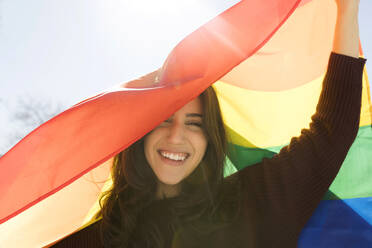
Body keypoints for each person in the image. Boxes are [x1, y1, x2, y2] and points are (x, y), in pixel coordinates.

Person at [49, 0, 366, 247]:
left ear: (210, 138)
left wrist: (347, 11)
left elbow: (330, 134)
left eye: (195, 124)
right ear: (140, 135)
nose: (177, 136)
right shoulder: (108, 234)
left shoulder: (254, 199)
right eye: (163, 120)